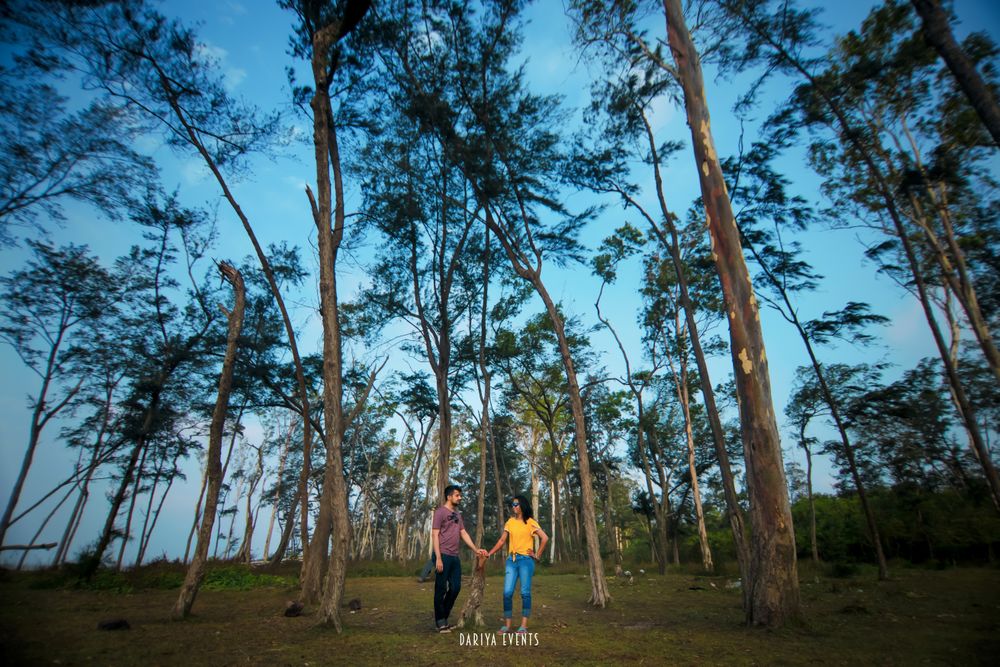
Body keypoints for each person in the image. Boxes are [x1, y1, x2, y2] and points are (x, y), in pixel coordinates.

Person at [486, 495, 549, 634]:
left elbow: (544, 538)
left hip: (526, 561)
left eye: (516, 504)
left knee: (525, 593)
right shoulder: (510, 522)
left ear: (523, 506)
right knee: (507, 593)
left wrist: (537, 555)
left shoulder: (531, 522)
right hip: (511, 561)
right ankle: (507, 626)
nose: (513, 506)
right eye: (512, 504)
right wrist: (490, 553)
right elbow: (502, 541)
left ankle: (523, 626)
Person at [432, 484, 486, 633]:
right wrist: (438, 558)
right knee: (440, 589)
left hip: (455, 556)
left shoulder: (458, 515)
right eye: (457, 495)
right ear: (449, 496)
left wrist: (476, 549)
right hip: (442, 555)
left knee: (456, 587)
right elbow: (435, 535)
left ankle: (443, 616)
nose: (460, 497)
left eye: (460, 495)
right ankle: (440, 622)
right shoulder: (440, 512)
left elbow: (464, 533)